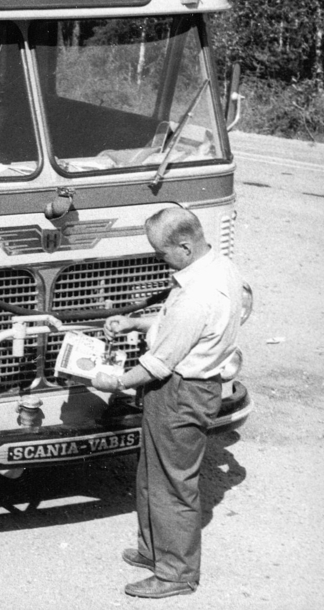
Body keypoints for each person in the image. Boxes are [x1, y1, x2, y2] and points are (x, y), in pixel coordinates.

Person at [91, 206, 247, 599]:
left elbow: (158, 363)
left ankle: (177, 573)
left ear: (185, 246)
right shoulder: (217, 267)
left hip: (181, 391)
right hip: (183, 387)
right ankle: (153, 549)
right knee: (151, 474)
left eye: (161, 253)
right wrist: (134, 322)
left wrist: (114, 381)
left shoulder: (200, 295)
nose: (159, 259)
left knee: (173, 485)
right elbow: (177, 325)